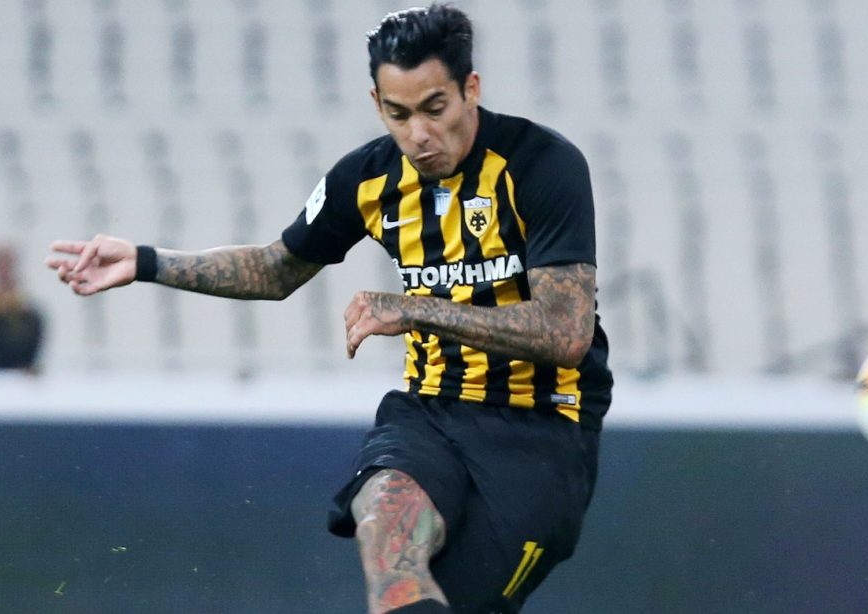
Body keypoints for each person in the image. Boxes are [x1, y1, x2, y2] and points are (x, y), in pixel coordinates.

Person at [45, 6, 610, 613]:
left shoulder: (542, 164)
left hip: (540, 429)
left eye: (435, 108)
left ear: (471, 89)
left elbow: (565, 331)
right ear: (377, 104)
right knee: (385, 528)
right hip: (430, 414)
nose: (419, 134)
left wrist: (418, 311)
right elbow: (275, 268)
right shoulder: (366, 178)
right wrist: (147, 261)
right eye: (398, 114)